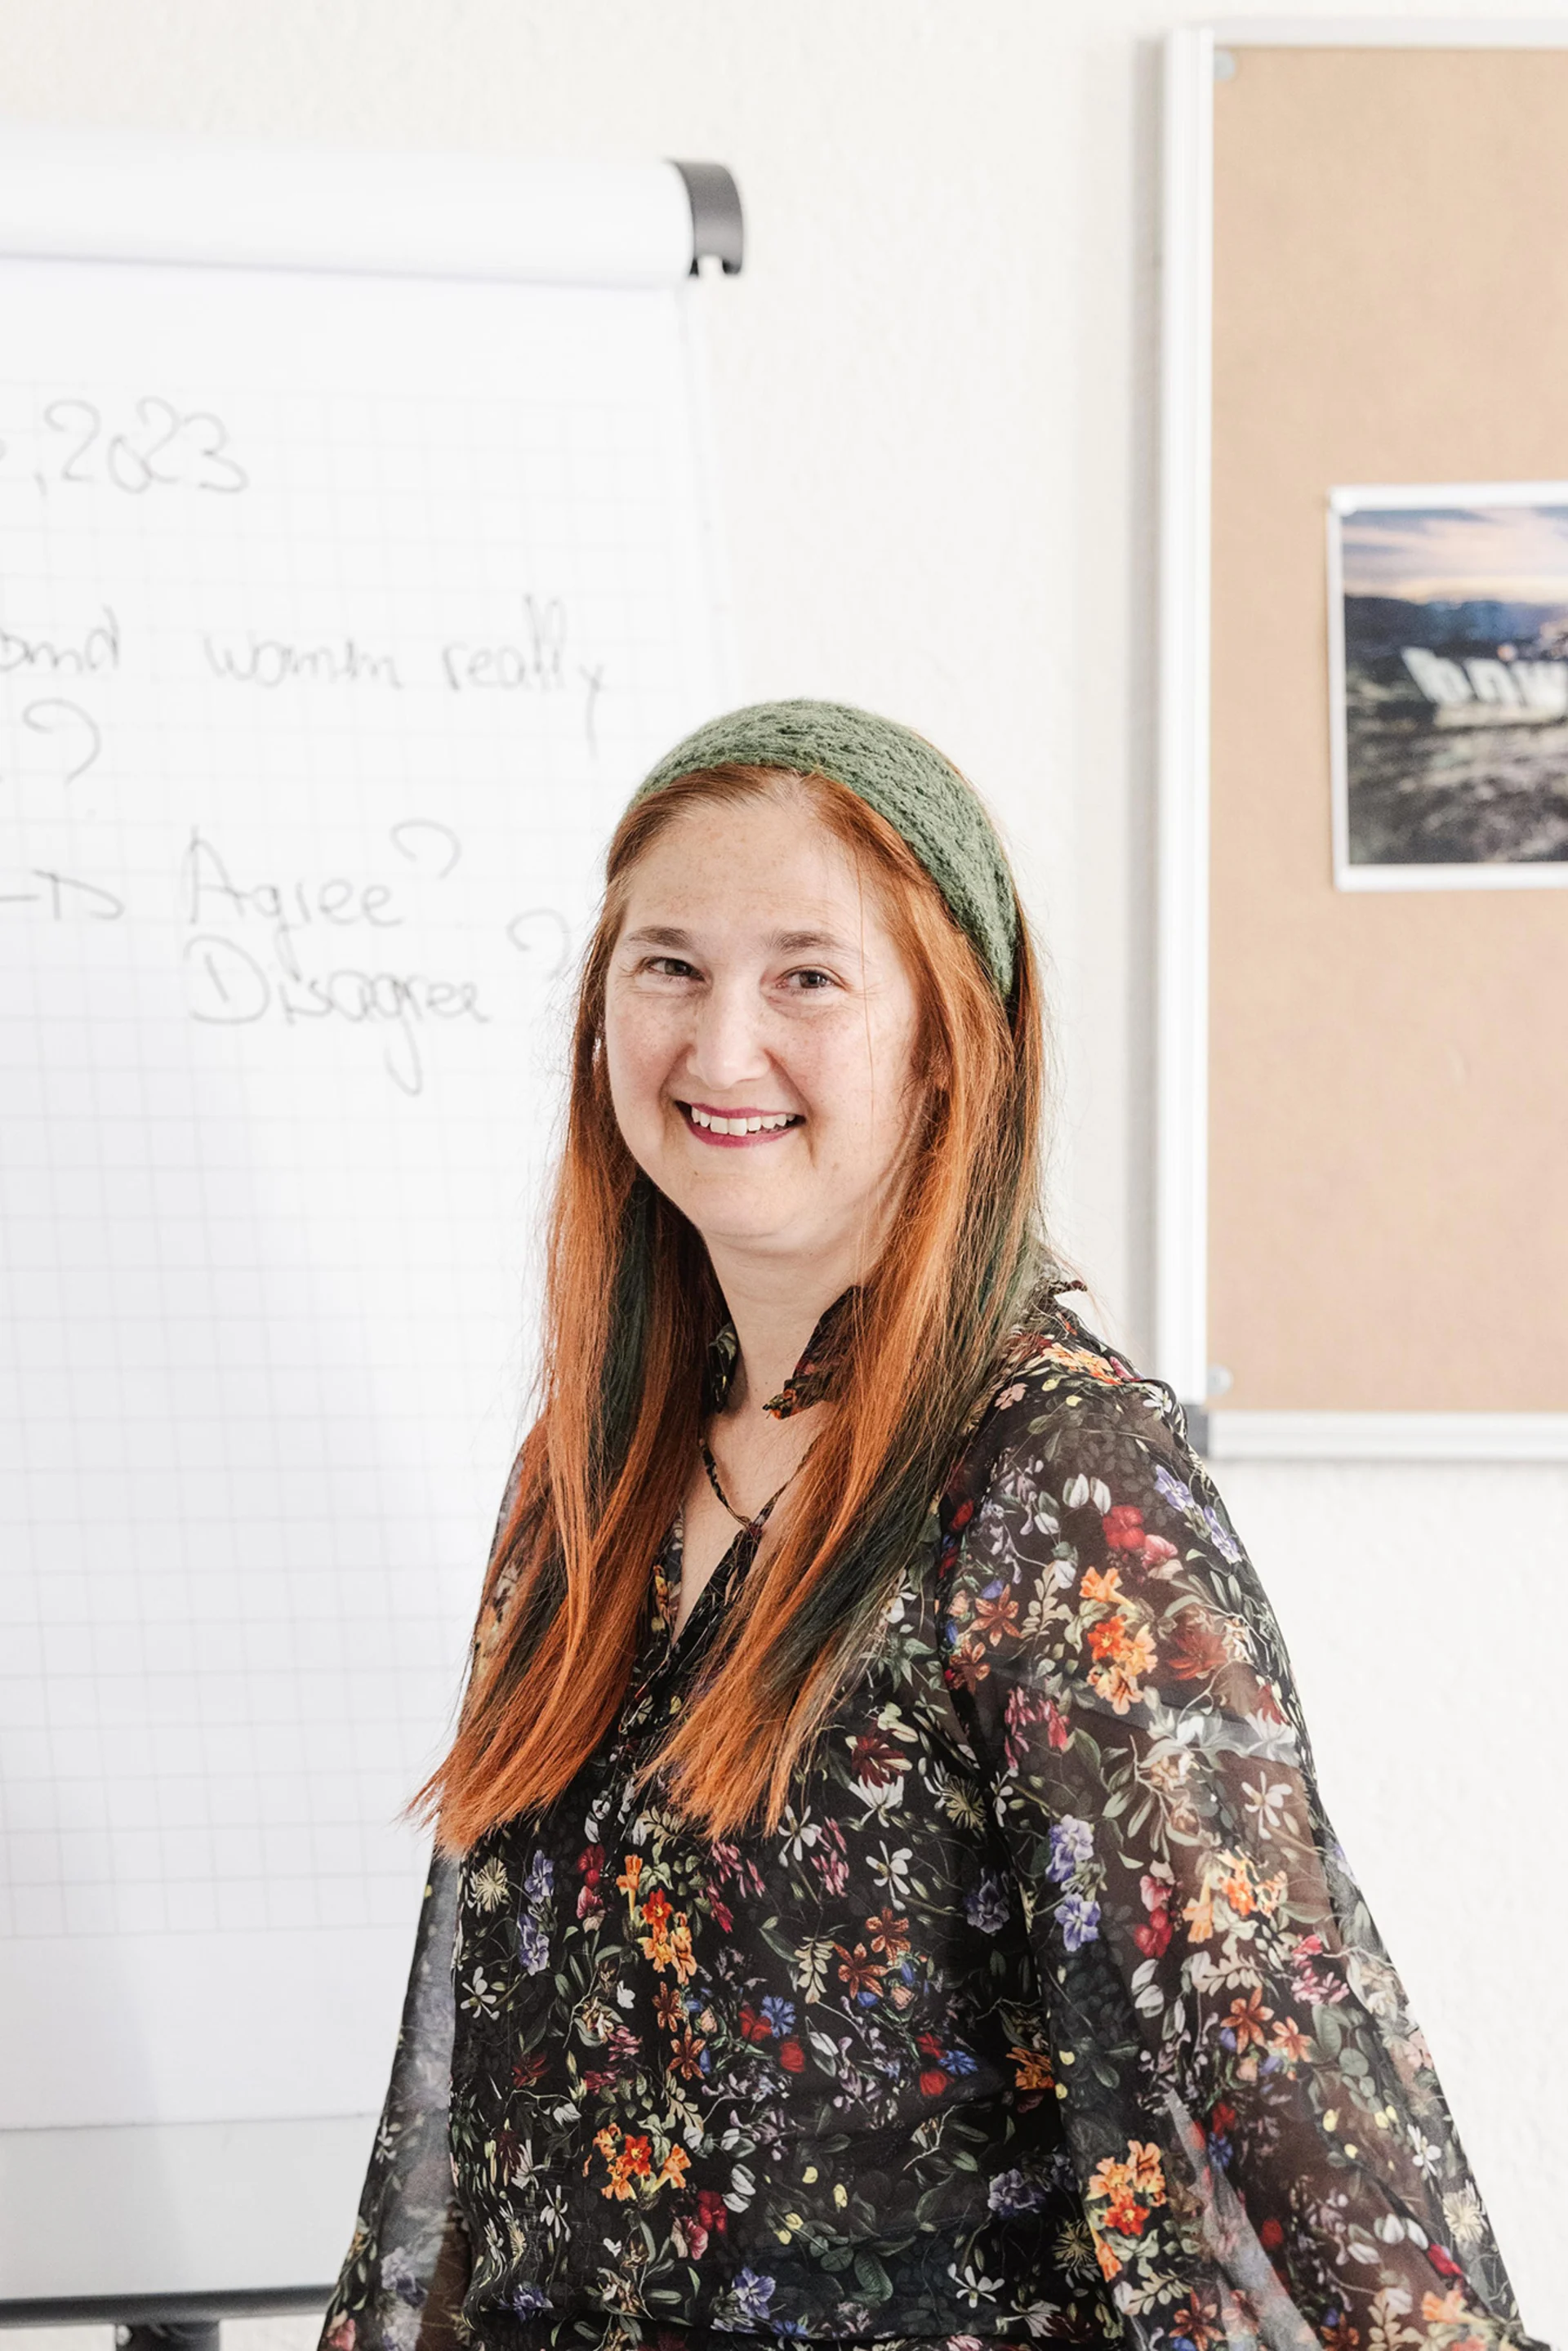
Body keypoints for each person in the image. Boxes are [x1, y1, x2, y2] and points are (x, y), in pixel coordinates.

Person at [321, 702, 1539, 2351]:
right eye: (667, 965)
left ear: (946, 1037)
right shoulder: (583, 1478)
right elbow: (481, 2120)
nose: (720, 1044)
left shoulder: (1054, 1468)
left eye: (807, 975)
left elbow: (1251, 2065)